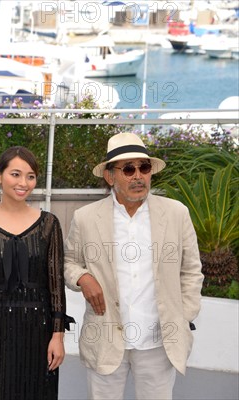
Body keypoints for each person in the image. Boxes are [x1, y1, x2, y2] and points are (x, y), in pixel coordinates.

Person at [63, 132, 204, 400]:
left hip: (159, 342)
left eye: (144, 167)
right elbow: (69, 261)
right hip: (105, 338)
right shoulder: (86, 218)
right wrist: (83, 278)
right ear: (110, 176)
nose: (138, 176)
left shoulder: (176, 213)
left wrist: (183, 316)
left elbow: (191, 270)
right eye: (128, 169)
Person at [0, 146, 71, 400]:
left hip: (37, 333)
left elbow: (56, 284)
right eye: (16, 174)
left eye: (30, 176)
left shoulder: (49, 224)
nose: (24, 183)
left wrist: (58, 336)